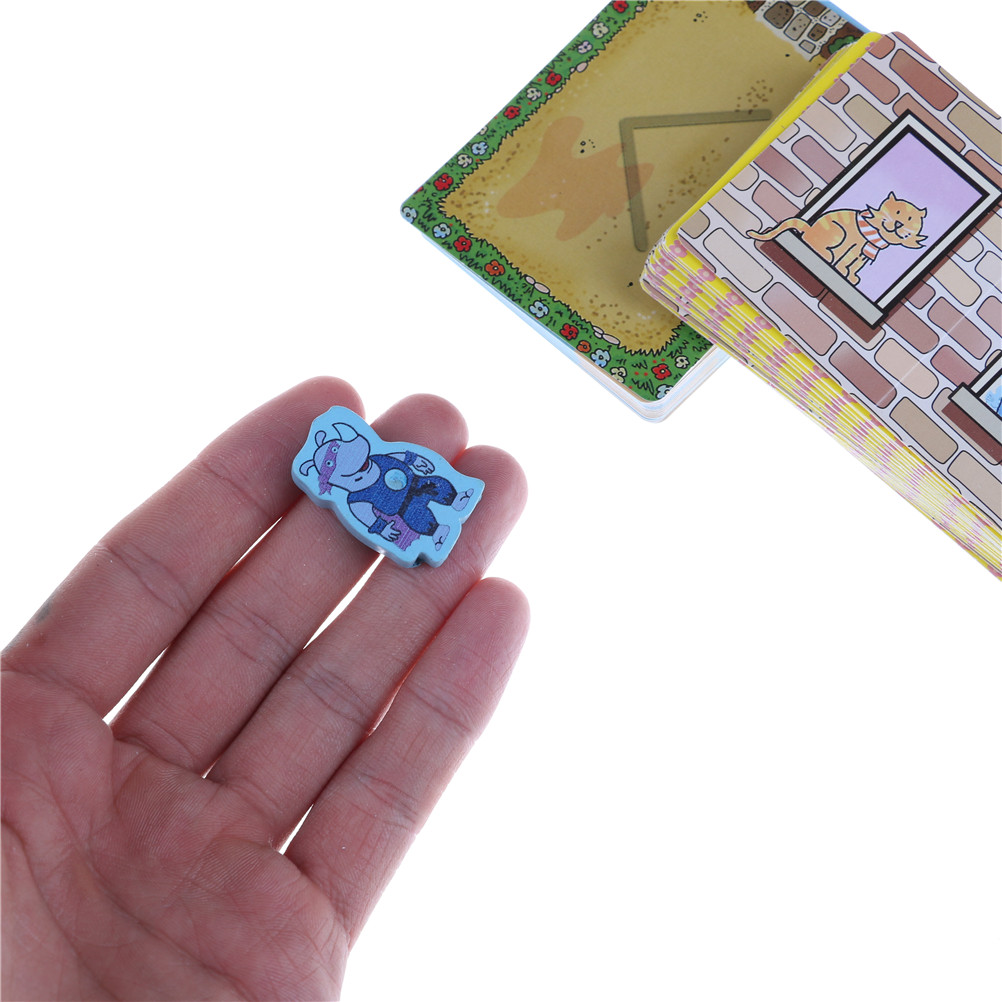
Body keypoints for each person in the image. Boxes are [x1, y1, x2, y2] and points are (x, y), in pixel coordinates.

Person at [1, 377, 530, 1001]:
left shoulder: (374, 482)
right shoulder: (353, 494)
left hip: (412, 498)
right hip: (400, 508)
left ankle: (440, 500)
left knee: (430, 498)